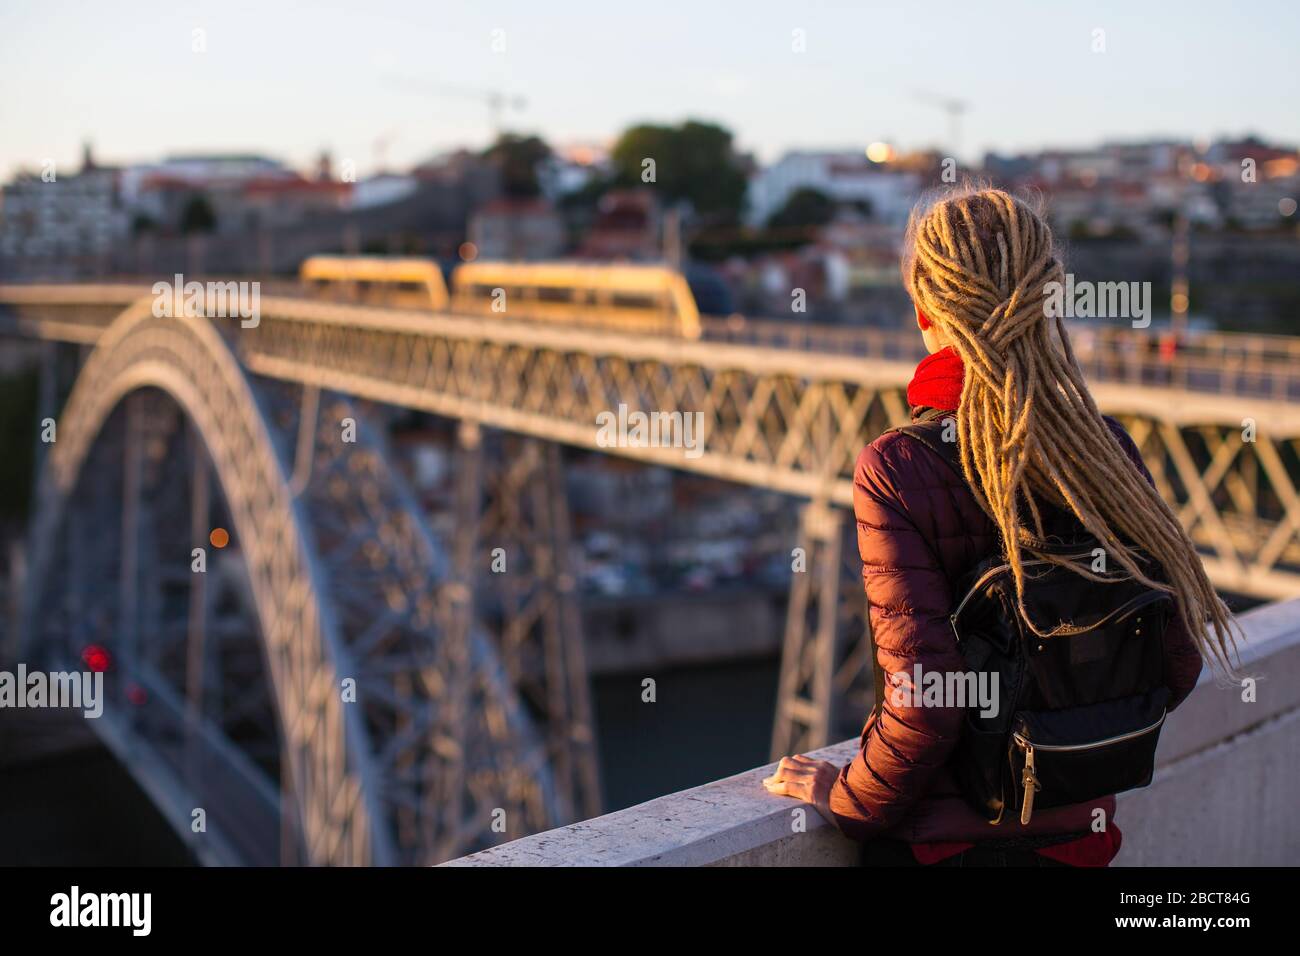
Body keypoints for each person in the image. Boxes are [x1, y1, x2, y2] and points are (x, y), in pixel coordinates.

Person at [763, 185, 1233, 867]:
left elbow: (926, 702)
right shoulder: (1106, 450)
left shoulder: (897, 467)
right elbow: (1175, 658)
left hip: (946, 852)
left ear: (924, 308)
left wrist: (851, 798)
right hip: (1083, 844)